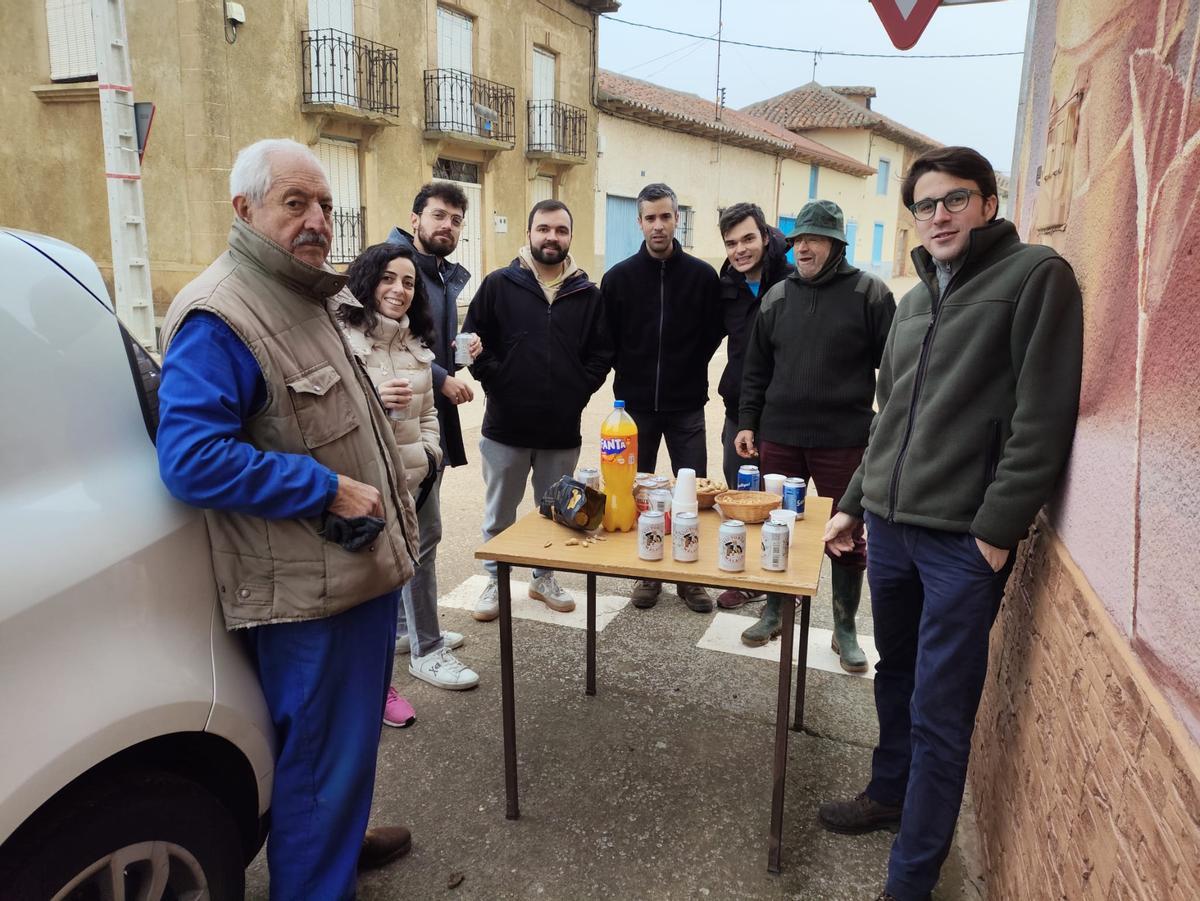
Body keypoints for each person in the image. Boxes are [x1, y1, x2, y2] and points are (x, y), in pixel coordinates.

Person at [819, 147, 1083, 901]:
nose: (938, 216)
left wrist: (995, 532)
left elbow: (1043, 418)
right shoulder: (913, 302)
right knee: (894, 675)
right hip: (892, 531)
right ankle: (888, 792)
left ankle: (911, 877)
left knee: (941, 710)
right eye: (925, 205)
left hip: (961, 543)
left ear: (989, 203)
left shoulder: (1035, 277)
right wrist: (853, 503)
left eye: (955, 199)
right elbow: (888, 419)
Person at [156, 138, 417, 898]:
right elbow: (190, 457)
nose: (317, 221)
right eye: (294, 203)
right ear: (244, 209)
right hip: (309, 594)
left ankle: (338, 844)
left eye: (325, 205)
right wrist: (323, 488)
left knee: (341, 755)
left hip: (353, 572)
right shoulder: (221, 314)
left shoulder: (302, 292)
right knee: (314, 766)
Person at [734, 200, 895, 669]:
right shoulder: (777, 297)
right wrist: (748, 422)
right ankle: (773, 611)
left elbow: (896, 368)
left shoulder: (870, 294)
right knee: (776, 525)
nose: (803, 248)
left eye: (815, 239)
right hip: (780, 436)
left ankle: (844, 628)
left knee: (847, 533)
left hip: (844, 440)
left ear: (837, 245)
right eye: (798, 239)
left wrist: (885, 428)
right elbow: (755, 369)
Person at [339, 243, 481, 724]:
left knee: (423, 551)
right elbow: (328, 417)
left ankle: (412, 634)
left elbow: (427, 414)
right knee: (377, 568)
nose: (398, 290)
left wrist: (431, 455)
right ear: (366, 281)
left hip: (418, 478)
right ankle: (428, 650)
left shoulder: (414, 342)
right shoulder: (341, 340)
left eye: (408, 282)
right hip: (366, 483)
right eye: (387, 278)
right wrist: (373, 400)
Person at [465, 200, 613, 620]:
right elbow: (472, 340)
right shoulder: (499, 284)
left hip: (560, 430)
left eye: (561, 230)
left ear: (570, 237)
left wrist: (578, 390)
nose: (552, 237)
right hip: (505, 427)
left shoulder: (587, 294)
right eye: (544, 228)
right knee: (500, 514)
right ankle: (495, 579)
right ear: (529, 233)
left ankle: (543, 577)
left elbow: (602, 353)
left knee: (556, 512)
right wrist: (497, 380)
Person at [600, 182, 723, 613]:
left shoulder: (702, 277)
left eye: (665, 216)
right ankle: (648, 573)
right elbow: (608, 339)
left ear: (677, 220)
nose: (658, 225)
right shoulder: (618, 279)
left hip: (687, 405)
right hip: (633, 410)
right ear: (639, 222)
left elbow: (713, 333)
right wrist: (631, 371)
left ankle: (690, 579)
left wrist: (687, 366)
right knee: (641, 494)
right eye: (650, 217)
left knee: (691, 494)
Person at [385, 183, 477, 668]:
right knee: (420, 534)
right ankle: (428, 648)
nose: (448, 226)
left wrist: (459, 353)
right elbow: (386, 342)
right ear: (415, 218)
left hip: (426, 418)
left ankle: (408, 630)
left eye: (456, 220)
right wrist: (441, 377)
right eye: (439, 215)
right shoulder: (396, 268)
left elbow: (422, 342)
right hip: (401, 420)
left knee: (417, 532)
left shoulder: (437, 272)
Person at [713, 202, 795, 610]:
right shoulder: (727, 284)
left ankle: (782, 587)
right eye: (731, 243)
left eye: (748, 239)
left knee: (781, 504)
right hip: (738, 412)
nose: (740, 250)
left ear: (765, 236)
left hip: (781, 415)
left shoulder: (792, 280)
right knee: (740, 498)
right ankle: (747, 579)